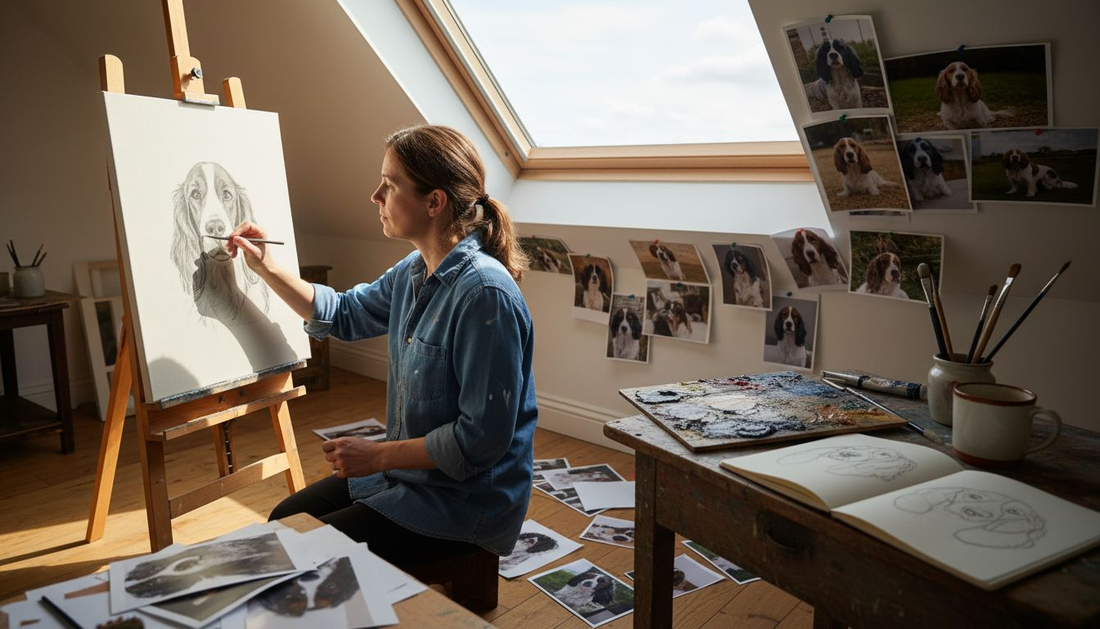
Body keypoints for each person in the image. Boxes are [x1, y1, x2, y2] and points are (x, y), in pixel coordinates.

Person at [226, 124, 537, 565]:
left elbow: (479, 442)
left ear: (435, 202)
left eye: (390, 185)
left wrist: (377, 456)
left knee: (309, 556)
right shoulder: (416, 269)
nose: (375, 196)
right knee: (285, 520)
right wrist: (267, 266)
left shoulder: (485, 296)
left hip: (463, 505)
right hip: (412, 476)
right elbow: (346, 312)